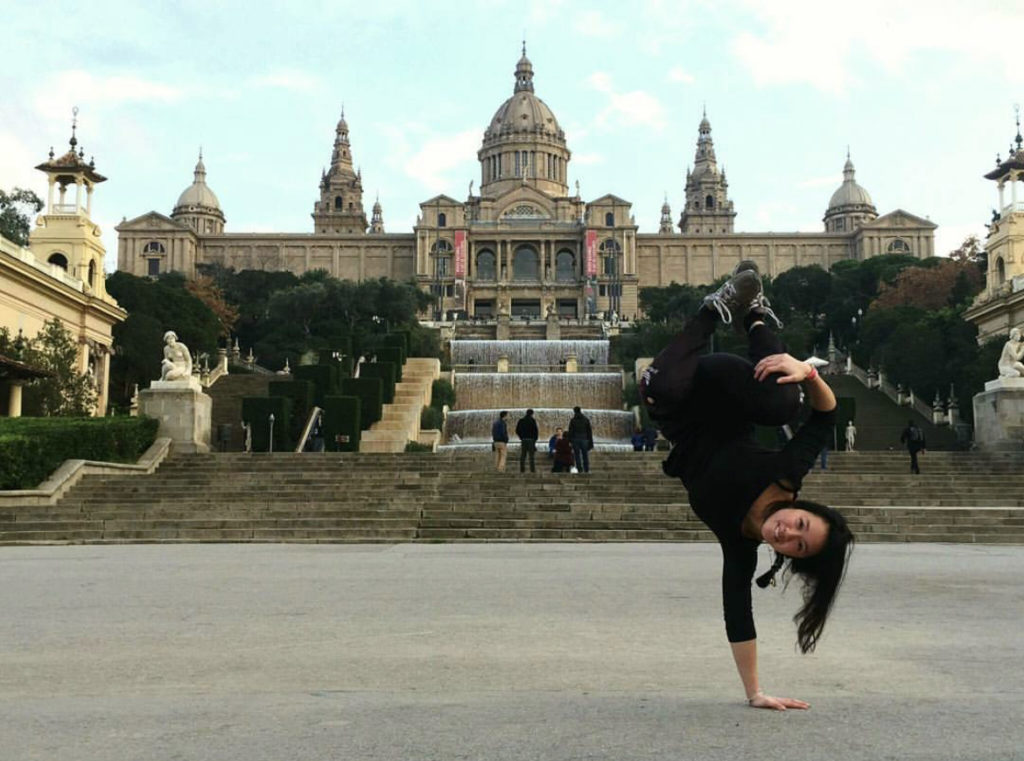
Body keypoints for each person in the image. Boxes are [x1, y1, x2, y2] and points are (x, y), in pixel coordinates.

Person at [640, 260, 854, 711]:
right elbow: (825, 418)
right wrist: (809, 372)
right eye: (801, 524)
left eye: (796, 545)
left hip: (678, 409)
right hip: (724, 385)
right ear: (803, 509)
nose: (788, 533)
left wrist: (755, 693)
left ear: (788, 556)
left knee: (657, 386)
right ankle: (750, 313)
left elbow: (738, 614)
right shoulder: (786, 474)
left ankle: (708, 314)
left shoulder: (741, 548)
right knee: (783, 401)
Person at [567, 406, 594, 473]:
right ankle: (586, 469)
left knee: (577, 455)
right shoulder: (586, 419)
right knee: (585, 455)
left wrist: (569, 440)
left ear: (574, 411)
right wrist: (590, 442)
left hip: (575, 439)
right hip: (584, 439)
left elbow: (570, 431)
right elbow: (589, 431)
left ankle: (580, 469)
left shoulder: (573, 420)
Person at [515, 408, 539, 473]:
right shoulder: (532, 420)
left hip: (524, 440)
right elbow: (535, 431)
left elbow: (517, 430)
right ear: (532, 414)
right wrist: (535, 439)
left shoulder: (521, 420)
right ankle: (532, 470)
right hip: (531, 440)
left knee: (523, 455)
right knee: (531, 456)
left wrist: (521, 437)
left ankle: (522, 469)